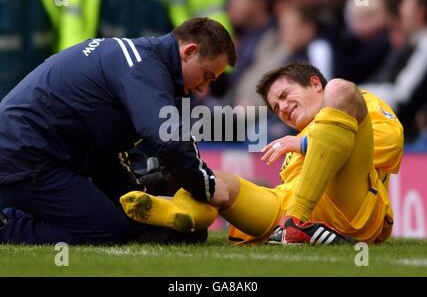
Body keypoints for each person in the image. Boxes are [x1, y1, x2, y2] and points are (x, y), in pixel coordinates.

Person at [0, 17, 236, 245]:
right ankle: (7, 228)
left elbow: (105, 150)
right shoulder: (142, 66)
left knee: (123, 216)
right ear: (189, 51)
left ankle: (10, 219)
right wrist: (208, 186)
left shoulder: (139, 61)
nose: (203, 88)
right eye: (206, 75)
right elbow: (170, 138)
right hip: (25, 153)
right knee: (109, 231)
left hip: (32, 150)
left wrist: (139, 194)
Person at [125, 61, 403, 245]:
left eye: (284, 96)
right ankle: (169, 211)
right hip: (287, 207)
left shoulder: (358, 103)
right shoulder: (297, 136)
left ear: (315, 84)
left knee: (342, 88)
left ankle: (297, 221)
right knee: (218, 183)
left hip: (349, 204)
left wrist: (306, 144)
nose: (281, 109)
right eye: (275, 108)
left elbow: (389, 141)